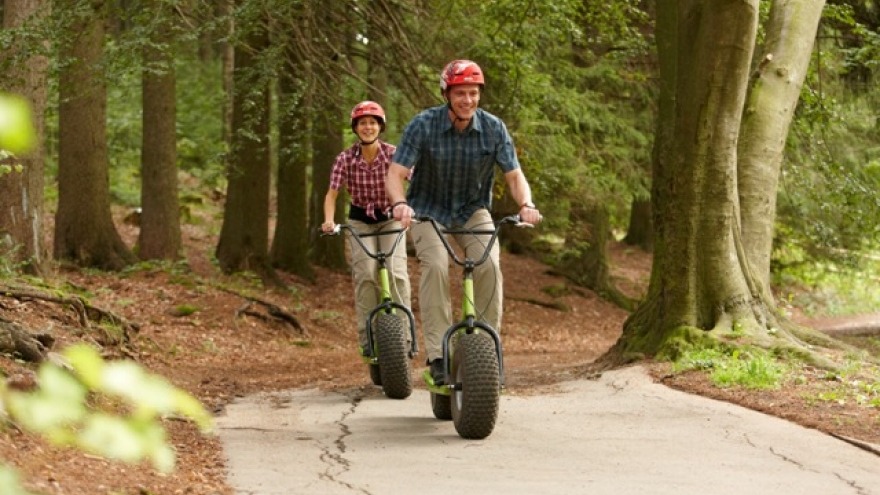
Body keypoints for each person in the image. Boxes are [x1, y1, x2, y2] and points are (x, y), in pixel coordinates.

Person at [386, 60, 542, 385]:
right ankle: (439, 355)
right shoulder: (423, 125)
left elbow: (514, 176)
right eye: (460, 93)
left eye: (473, 93)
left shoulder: (494, 128)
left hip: (472, 210)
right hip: (427, 210)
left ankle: (485, 347)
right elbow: (395, 174)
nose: (467, 100)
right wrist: (400, 203)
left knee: (489, 266)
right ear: (447, 94)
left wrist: (526, 204)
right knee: (437, 266)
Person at [322, 100, 412, 357]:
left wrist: (411, 206)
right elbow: (332, 194)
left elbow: (415, 181)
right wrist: (329, 220)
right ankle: (368, 338)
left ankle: (405, 336)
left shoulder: (395, 154)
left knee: (396, 273)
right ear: (355, 128)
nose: (368, 127)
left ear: (380, 126)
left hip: (391, 218)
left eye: (373, 122)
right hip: (361, 221)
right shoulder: (345, 158)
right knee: (366, 274)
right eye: (363, 123)